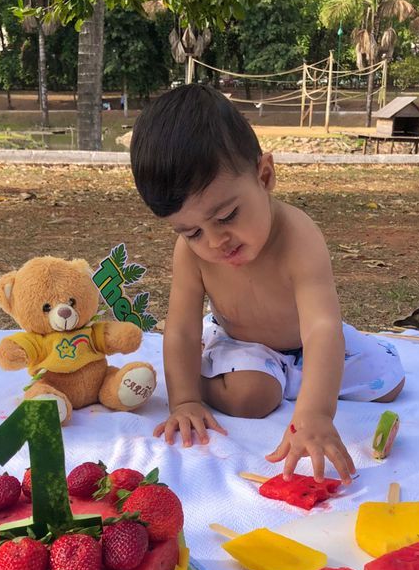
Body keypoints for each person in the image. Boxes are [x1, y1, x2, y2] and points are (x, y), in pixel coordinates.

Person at [129, 84, 404, 483]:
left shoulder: (298, 236)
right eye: (192, 232)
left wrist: (314, 414)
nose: (214, 241)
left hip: (307, 342)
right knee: (252, 397)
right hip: (242, 342)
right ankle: (211, 379)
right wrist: (185, 400)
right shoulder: (191, 253)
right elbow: (183, 329)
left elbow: (322, 328)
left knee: (391, 381)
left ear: (265, 175)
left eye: (226, 216)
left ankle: (298, 384)